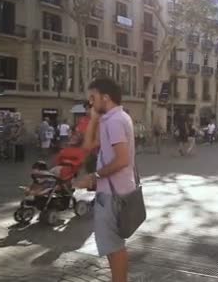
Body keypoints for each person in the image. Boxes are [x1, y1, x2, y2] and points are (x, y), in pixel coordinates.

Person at [74, 77, 136, 282]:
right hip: (112, 191)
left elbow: (123, 159)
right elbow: (88, 146)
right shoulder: (111, 119)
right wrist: (93, 118)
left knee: (115, 247)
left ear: (106, 97)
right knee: (112, 245)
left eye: (93, 98)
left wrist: (94, 176)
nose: (90, 102)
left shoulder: (116, 121)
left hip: (113, 193)